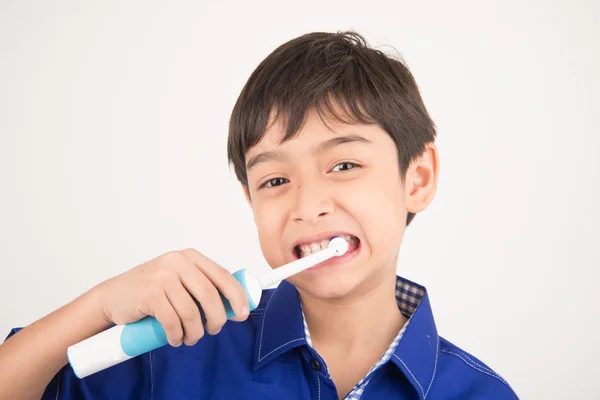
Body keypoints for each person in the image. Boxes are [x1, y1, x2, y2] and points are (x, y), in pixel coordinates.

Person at [0, 31, 518, 399]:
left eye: (343, 164)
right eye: (274, 180)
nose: (308, 205)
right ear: (251, 199)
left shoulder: (482, 393)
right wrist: (101, 304)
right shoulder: (170, 356)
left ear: (418, 178)